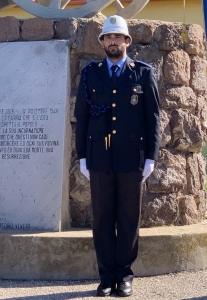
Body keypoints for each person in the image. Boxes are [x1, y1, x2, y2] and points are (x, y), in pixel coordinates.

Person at [74, 15, 160, 297]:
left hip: (131, 158)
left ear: (126, 41)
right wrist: (83, 157)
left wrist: (151, 157)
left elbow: (153, 119)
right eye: (108, 37)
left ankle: (124, 275)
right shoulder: (91, 73)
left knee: (127, 218)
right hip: (99, 157)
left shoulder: (143, 73)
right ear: (102, 42)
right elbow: (82, 117)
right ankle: (106, 276)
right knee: (101, 219)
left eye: (117, 37)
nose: (113, 41)